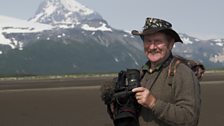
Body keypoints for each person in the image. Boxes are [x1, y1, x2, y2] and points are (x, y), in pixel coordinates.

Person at [131, 17, 201, 126]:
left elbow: (190, 118)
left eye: (158, 41)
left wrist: (153, 103)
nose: (152, 47)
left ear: (170, 44)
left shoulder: (182, 73)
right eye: (148, 41)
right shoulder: (141, 74)